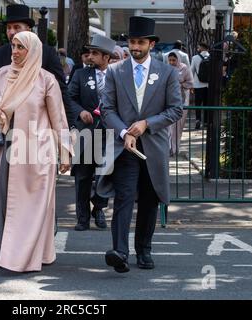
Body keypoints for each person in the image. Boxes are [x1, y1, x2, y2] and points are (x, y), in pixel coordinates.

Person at [96, 16, 182, 273]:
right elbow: (106, 108)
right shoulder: (114, 71)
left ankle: (144, 250)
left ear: (151, 44)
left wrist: (147, 123)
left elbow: (175, 109)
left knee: (149, 200)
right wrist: (124, 132)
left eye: (140, 42)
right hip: (125, 147)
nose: (135, 46)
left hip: (153, 147)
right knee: (123, 198)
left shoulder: (167, 72)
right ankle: (120, 252)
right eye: (132, 42)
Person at [0, 31, 72, 272]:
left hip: (36, 154)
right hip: (4, 151)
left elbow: (59, 120)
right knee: (1, 202)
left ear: (33, 51)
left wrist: (64, 152)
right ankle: (0, 250)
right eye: (13, 46)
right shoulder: (2, 75)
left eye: (21, 47)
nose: (14, 51)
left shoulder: (46, 80)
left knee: (30, 208)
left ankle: (23, 257)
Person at [0, 4, 76, 127]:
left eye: (17, 27)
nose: (12, 32)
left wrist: (70, 127)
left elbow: (61, 92)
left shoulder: (47, 53)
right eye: (9, 28)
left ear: (28, 29)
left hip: (39, 127)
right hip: (5, 128)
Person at [68, 34, 115, 231]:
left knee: (106, 174)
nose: (90, 56)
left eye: (95, 53)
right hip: (87, 132)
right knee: (83, 176)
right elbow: (69, 98)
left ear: (106, 57)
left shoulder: (117, 75)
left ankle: (99, 207)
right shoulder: (80, 74)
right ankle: (82, 218)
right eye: (89, 53)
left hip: (110, 133)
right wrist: (81, 112)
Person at [167, 52, 193, 157]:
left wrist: (180, 85)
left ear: (178, 59)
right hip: (169, 101)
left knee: (178, 127)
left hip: (182, 101)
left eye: (174, 60)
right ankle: (169, 148)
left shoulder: (184, 68)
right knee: (169, 126)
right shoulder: (166, 69)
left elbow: (190, 83)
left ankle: (175, 148)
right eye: (170, 60)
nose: (172, 62)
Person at [190, 42, 210, 129]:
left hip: (198, 85)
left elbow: (191, 71)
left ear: (201, 48)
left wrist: (191, 85)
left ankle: (198, 120)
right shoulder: (211, 57)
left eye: (199, 47)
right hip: (208, 86)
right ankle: (206, 121)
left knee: (198, 104)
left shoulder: (195, 58)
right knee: (207, 104)